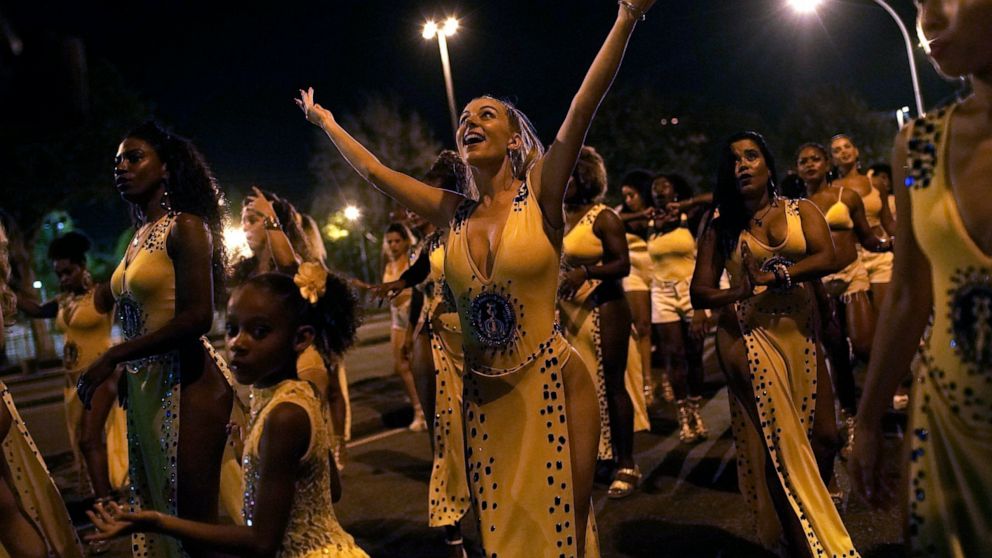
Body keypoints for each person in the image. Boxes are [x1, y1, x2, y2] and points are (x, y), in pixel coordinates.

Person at [297, 2, 655, 554]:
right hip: (484, 402)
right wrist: (328, 123)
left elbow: (582, 107)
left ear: (515, 138)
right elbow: (376, 173)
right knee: (504, 542)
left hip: (555, 386)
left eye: (487, 115)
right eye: (464, 117)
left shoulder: (541, 194)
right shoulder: (451, 213)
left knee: (563, 539)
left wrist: (626, 17)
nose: (470, 122)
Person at [88, 268, 369, 557]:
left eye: (259, 332)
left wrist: (160, 521)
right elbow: (329, 489)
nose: (238, 344)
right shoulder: (297, 392)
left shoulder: (286, 416)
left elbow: (261, 541)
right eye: (232, 329)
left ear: (301, 338)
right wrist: (251, 454)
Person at [850, 1, 992, 554]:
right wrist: (868, 420)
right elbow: (909, 295)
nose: (927, 19)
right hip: (947, 431)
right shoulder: (919, 147)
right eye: (916, 4)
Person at [76, 121, 243, 558]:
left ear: (166, 168)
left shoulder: (186, 227)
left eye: (134, 157)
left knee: (192, 527)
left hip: (190, 383)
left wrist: (116, 355)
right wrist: (130, 372)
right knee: (162, 517)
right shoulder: (135, 239)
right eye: (117, 162)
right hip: (147, 388)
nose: (122, 168)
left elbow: (196, 318)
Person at [691, 131, 858, 556]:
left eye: (751, 156)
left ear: (768, 165)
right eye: (733, 160)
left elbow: (829, 256)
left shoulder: (801, 210)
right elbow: (700, 292)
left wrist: (779, 275)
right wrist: (738, 292)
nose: (742, 165)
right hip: (748, 337)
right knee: (780, 448)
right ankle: (803, 546)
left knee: (825, 437)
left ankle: (800, 512)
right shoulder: (720, 224)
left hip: (801, 331)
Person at [368, 150, 474, 557]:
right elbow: (420, 275)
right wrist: (399, 289)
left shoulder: (474, 227)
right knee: (442, 437)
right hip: (436, 338)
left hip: (478, 342)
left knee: (482, 437)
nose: (417, 204)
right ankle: (452, 529)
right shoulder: (431, 242)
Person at [233, 187, 352, 467]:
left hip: (300, 367)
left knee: (303, 465)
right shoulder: (250, 271)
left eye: (252, 219)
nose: (245, 228)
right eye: (243, 221)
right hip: (268, 376)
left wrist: (271, 217)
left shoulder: (294, 266)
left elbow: (289, 267)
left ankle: (337, 450)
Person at [558, 146, 649, 499]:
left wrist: (587, 271)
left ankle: (627, 463)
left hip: (606, 307)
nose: (563, 182)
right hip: (569, 314)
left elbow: (622, 265)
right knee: (580, 389)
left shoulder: (604, 217)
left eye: (569, 175)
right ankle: (597, 455)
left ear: (585, 178)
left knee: (612, 384)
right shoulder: (559, 217)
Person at [15, 232, 128, 504]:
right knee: (84, 443)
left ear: (82, 266)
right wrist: (6, 288)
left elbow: (129, 292)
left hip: (101, 375)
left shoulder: (100, 294)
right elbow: (37, 310)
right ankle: (109, 498)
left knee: (89, 440)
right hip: (73, 382)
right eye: (58, 274)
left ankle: (105, 506)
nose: (63, 278)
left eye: (68, 271)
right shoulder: (62, 301)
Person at [797, 143, 892, 451]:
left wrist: (891, 243)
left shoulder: (847, 197)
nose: (810, 165)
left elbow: (867, 237)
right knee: (836, 355)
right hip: (820, 285)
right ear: (797, 169)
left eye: (815, 159)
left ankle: (880, 405)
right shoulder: (795, 207)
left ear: (827, 164)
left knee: (865, 344)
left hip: (852, 274)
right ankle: (852, 419)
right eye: (803, 161)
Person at [648, 174, 708, 443]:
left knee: (695, 353)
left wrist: (686, 205)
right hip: (661, 293)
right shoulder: (648, 223)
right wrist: (643, 211)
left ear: (674, 191)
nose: (659, 189)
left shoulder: (689, 217)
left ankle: (696, 410)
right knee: (674, 355)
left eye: (665, 185)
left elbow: (716, 198)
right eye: (655, 187)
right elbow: (617, 218)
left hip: (689, 290)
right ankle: (683, 414)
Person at [830, 134, 896, 309]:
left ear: (856, 151)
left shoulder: (876, 183)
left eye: (847, 146)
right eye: (837, 150)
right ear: (833, 160)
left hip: (880, 254)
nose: (843, 152)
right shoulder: (831, 189)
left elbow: (888, 221)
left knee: (886, 316)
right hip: (851, 258)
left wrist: (902, 242)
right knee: (864, 326)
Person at [616, 170, 659, 405]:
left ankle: (666, 379)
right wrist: (640, 214)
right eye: (625, 196)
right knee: (642, 326)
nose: (628, 200)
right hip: (634, 274)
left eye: (632, 195)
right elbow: (612, 217)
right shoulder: (623, 215)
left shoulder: (659, 210)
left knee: (662, 328)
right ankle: (646, 383)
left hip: (659, 273)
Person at [380, 222, 427, 431]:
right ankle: (418, 410)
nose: (393, 245)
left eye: (397, 241)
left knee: (419, 365)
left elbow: (417, 290)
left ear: (407, 241)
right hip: (396, 317)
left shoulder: (413, 260)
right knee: (400, 365)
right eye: (389, 241)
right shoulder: (389, 265)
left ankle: (427, 409)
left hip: (413, 314)